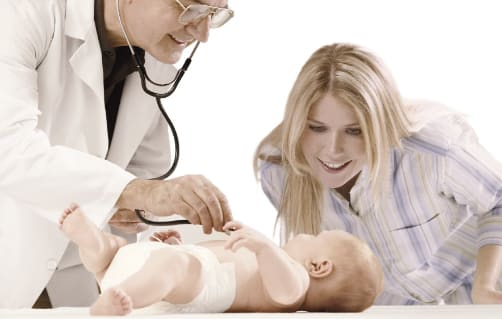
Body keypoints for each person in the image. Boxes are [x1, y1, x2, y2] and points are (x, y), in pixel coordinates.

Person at [0, 0, 234, 308]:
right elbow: (9, 151)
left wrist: (140, 210)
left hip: (79, 280)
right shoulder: (25, 13)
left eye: (213, 16)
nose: (203, 34)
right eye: (191, 9)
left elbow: (145, 168)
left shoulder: (153, 59)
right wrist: (136, 192)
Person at [253, 43, 502, 305]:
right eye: (317, 128)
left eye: (354, 131)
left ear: (379, 124)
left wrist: (484, 287)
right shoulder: (280, 173)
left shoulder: (436, 151)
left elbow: (498, 197)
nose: (333, 150)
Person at [58, 203, 384, 315]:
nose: (302, 235)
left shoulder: (295, 283)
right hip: (168, 267)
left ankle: (120, 296)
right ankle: (96, 244)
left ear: (319, 266)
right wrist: (173, 244)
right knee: (117, 255)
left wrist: (264, 247)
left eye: (314, 238)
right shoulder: (276, 262)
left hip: (199, 284)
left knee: (175, 268)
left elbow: (285, 291)